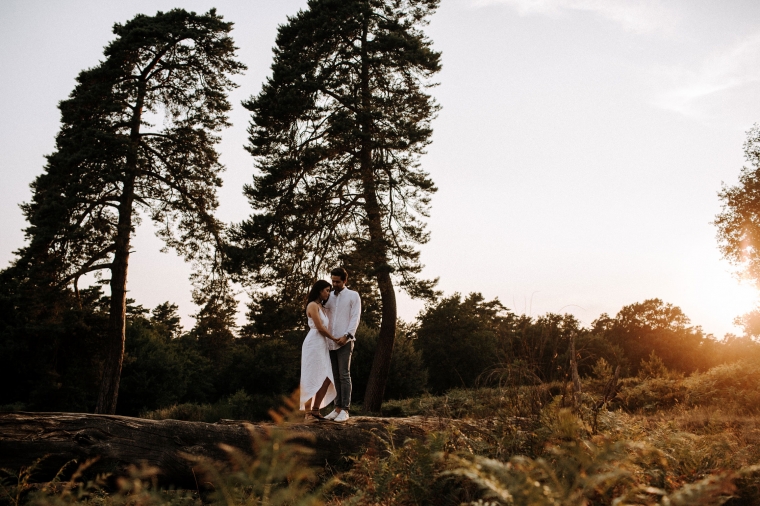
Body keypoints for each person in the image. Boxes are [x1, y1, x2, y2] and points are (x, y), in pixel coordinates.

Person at [323, 267, 361, 422]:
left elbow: (355, 317)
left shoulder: (353, 295)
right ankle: (336, 408)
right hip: (330, 342)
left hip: (345, 341)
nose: (334, 284)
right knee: (335, 376)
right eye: (333, 281)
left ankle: (345, 409)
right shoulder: (329, 297)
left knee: (344, 375)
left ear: (345, 281)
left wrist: (347, 336)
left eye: (337, 281)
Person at [300, 279, 340, 421]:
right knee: (310, 376)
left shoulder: (321, 306)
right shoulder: (312, 305)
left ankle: (316, 410)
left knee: (327, 377)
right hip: (313, 343)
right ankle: (307, 413)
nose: (328, 293)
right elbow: (320, 327)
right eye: (326, 290)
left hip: (322, 344)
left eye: (329, 291)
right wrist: (334, 338)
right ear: (319, 290)